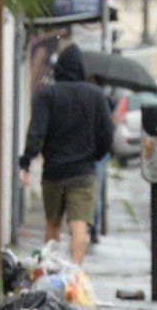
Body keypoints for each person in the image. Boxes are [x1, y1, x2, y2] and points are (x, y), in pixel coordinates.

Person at [19, 44, 113, 266]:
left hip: (53, 172)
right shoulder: (96, 96)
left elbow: (36, 131)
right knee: (79, 226)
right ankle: (75, 274)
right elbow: (106, 134)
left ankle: (51, 269)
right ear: (81, 69)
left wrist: (26, 162)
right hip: (83, 172)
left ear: (59, 68)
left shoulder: (47, 94)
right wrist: (96, 156)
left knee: (52, 224)